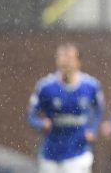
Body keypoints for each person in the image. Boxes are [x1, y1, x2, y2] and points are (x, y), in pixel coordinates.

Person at [27, 43, 105, 173]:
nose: (65, 61)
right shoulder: (45, 87)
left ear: (78, 62)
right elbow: (30, 115)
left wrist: (93, 130)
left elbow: (99, 109)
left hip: (78, 153)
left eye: (69, 57)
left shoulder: (91, 86)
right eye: (61, 57)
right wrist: (41, 123)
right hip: (50, 153)